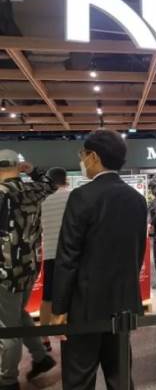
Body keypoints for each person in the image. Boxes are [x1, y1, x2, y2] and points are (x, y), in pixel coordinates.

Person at [51, 130, 148, 390]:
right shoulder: (137, 199)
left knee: (79, 377)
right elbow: (137, 253)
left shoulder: (82, 196)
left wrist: (59, 308)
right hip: (123, 305)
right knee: (120, 377)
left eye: (82, 155)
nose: (82, 160)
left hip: (85, 305)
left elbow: (68, 255)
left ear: (93, 156)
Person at [0, 150, 57, 390]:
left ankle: (7, 381)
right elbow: (50, 182)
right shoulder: (32, 189)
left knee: (7, 327)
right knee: (20, 315)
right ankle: (41, 358)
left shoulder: (2, 192)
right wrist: (32, 170)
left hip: (5, 271)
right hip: (29, 266)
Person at [38, 167, 71, 353]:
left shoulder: (43, 199)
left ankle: (44, 339)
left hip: (50, 252)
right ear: (65, 180)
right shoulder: (72, 197)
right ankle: (69, 333)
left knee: (47, 296)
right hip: (69, 253)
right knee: (71, 294)